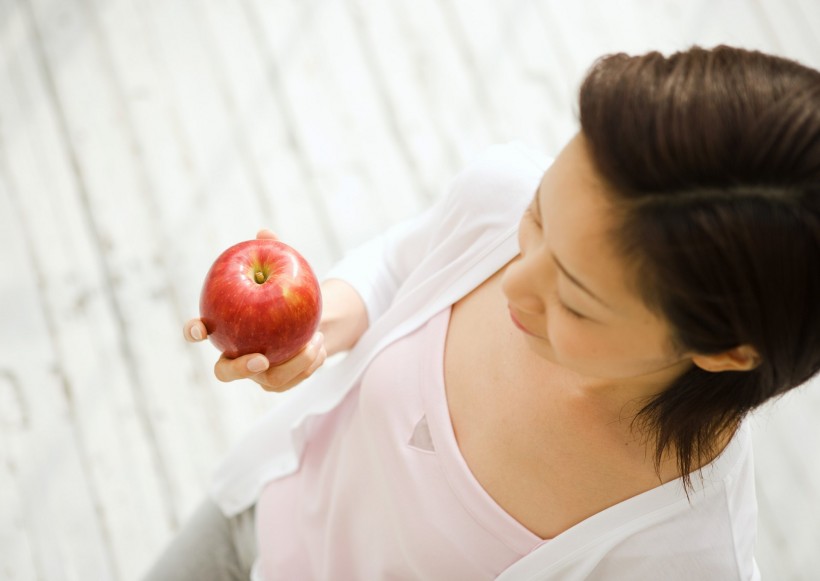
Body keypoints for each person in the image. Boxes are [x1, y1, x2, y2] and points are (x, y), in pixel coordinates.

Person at [143, 45, 820, 580]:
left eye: (576, 301)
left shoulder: (684, 552)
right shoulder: (498, 196)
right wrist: (316, 329)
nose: (514, 283)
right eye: (539, 218)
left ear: (724, 349)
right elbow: (397, 266)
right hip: (251, 519)